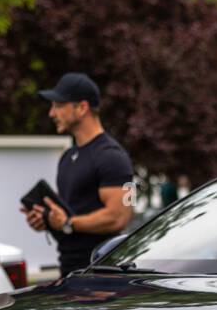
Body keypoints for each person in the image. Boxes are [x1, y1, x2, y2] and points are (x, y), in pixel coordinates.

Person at [22, 72, 134, 273]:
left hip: (102, 274)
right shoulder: (67, 157)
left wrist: (68, 223)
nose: (51, 113)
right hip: (68, 269)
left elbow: (119, 217)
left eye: (58, 105)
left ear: (82, 108)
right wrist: (47, 219)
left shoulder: (113, 157)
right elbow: (70, 213)